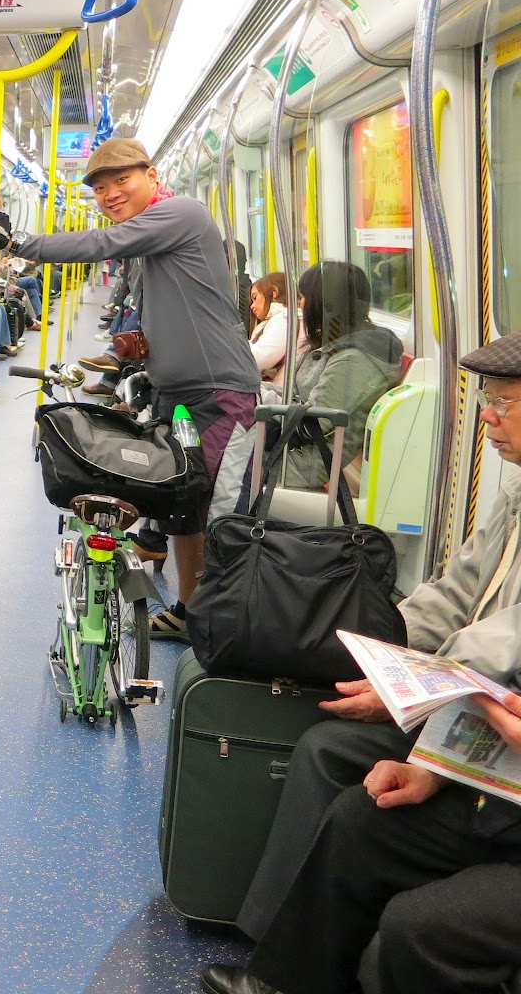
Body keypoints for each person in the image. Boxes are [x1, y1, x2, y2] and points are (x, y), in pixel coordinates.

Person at [202, 332, 521, 994]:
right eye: (486, 400)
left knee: (331, 752)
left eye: (503, 402)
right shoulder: (516, 494)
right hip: (483, 720)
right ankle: (280, 965)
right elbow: (459, 589)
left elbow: (504, 641)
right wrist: (381, 642)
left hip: (485, 711)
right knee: (351, 801)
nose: (487, 416)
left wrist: (418, 688)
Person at [0, 137, 260, 638]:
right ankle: (189, 611)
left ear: (151, 176)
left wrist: (19, 241)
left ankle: (226, 628)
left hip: (219, 391)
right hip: (174, 392)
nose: (109, 193)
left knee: (220, 512)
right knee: (185, 508)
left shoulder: (182, 212)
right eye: (100, 187)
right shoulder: (152, 242)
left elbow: (100, 243)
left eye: (121, 180)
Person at [283, 260, 404, 492]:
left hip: (306, 460)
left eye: (304, 296)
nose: (300, 302)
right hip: (291, 446)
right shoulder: (334, 343)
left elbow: (317, 422)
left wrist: (259, 409)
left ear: (325, 303)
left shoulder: (358, 358)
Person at [248, 271, 291, 385]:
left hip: (277, 392)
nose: (252, 305)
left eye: (255, 298)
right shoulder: (281, 319)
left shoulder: (284, 319)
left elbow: (260, 358)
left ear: (274, 292)